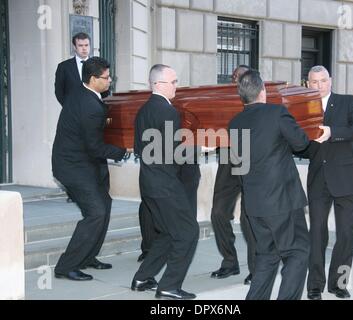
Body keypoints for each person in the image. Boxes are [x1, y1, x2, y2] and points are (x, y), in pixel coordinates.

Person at [229, 69, 312, 300]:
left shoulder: (234, 123)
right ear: (263, 90)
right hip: (282, 201)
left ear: (242, 95)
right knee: (298, 251)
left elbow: (239, 166)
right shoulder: (277, 113)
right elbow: (301, 143)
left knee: (267, 256)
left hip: (254, 205)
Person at [52, 57, 131, 281]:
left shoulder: (83, 93)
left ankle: (87, 256)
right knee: (95, 212)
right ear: (93, 79)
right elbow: (95, 146)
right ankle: (66, 266)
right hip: (73, 166)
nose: (110, 82)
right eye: (106, 78)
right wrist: (122, 151)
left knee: (104, 204)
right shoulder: (89, 105)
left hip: (84, 162)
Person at [304, 66, 353, 300]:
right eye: (314, 82)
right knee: (316, 236)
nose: (319, 85)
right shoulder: (303, 109)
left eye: (323, 80)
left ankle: (339, 284)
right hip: (318, 181)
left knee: (346, 236)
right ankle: (314, 286)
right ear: (307, 84)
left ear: (330, 81)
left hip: (348, 180)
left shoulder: (348, 102)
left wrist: (333, 131)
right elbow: (301, 145)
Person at [131, 64, 199, 300]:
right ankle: (169, 286)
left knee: (168, 234)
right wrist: (199, 148)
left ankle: (142, 278)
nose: (176, 87)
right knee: (188, 232)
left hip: (148, 183)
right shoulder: (168, 111)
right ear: (158, 84)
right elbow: (174, 151)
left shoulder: (143, 110)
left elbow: (140, 148)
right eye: (173, 82)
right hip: (165, 184)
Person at [210, 65, 256, 285]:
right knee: (218, 213)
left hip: (251, 163)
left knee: (249, 219)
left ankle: (257, 269)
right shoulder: (223, 101)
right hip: (228, 162)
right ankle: (230, 262)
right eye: (234, 77)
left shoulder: (258, 100)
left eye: (241, 77)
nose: (236, 80)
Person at [55, 32, 91, 107]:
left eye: (86, 45)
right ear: (74, 47)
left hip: (94, 111)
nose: (84, 48)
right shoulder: (63, 67)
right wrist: (68, 107)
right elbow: (59, 91)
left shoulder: (98, 65)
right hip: (72, 112)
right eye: (80, 45)